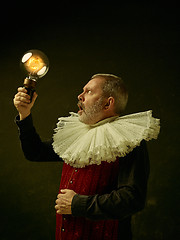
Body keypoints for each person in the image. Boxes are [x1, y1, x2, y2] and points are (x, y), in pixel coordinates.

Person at [13, 73, 160, 240]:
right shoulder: (77, 136)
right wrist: (24, 113)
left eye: (89, 92)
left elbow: (132, 199)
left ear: (108, 103)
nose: (80, 96)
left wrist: (77, 204)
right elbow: (35, 152)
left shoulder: (130, 141)